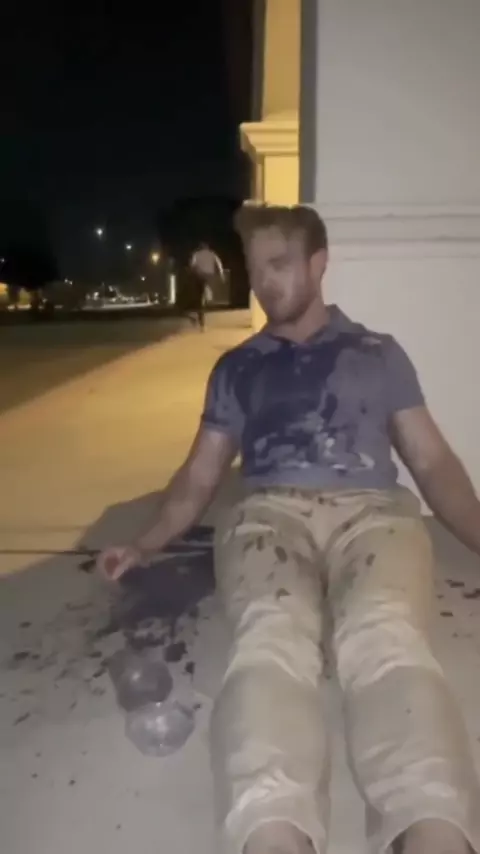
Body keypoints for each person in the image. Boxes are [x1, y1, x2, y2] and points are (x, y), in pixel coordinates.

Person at [98, 205, 480, 854]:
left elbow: (433, 463)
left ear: (318, 263)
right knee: (270, 640)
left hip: (373, 512)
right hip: (269, 515)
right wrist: (144, 543)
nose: (263, 283)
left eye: (278, 265)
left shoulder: (378, 354)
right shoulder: (238, 368)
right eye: (256, 268)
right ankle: (274, 831)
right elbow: (199, 475)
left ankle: (433, 829)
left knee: (385, 636)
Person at [189, 241, 223, 329]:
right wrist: (221, 274)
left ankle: (201, 310)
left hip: (199, 276)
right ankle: (207, 297)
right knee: (206, 295)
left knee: (199, 297)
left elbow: (192, 265)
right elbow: (219, 264)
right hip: (209, 276)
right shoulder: (212, 254)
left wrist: (193, 273)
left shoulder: (196, 254)